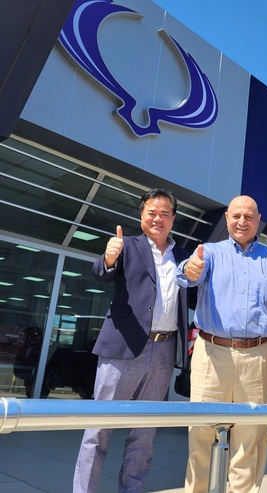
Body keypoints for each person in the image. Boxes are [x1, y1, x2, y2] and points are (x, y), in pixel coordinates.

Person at [73, 188, 191, 493]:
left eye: (165, 213)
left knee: (145, 433)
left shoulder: (183, 257)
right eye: (152, 212)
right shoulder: (127, 246)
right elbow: (101, 273)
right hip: (123, 349)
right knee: (99, 429)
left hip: (164, 350)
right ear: (141, 216)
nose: (158, 219)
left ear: (173, 219)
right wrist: (109, 257)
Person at [179, 195, 267, 493]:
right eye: (237, 215)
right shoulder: (209, 253)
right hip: (211, 353)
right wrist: (189, 270)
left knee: (251, 435)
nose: (242, 221)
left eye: (249, 216)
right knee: (201, 433)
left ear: (258, 220)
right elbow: (188, 274)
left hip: (259, 356)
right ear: (227, 218)